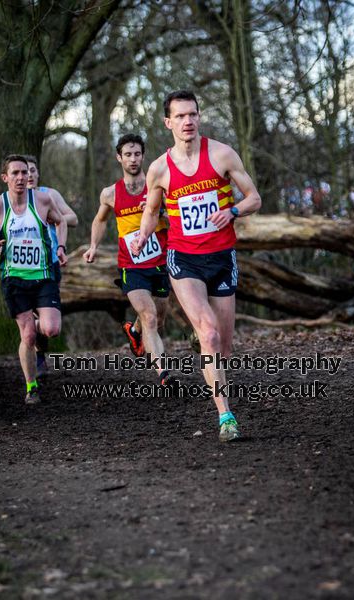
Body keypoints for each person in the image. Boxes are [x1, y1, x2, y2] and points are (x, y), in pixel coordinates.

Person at [132, 90, 261, 442]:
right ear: (168, 122)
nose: (188, 121)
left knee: (224, 346)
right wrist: (143, 236)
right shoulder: (159, 168)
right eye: (180, 116)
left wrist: (232, 210)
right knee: (210, 333)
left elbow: (254, 198)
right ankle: (226, 416)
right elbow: (151, 211)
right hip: (184, 258)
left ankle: (204, 343)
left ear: (199, 117)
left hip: (222, 258)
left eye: (193, 114)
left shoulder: (221, 154)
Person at [83, 133, 172, 384]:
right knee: (150, 316)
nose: (133, 159)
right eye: (128, 155)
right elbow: (100, 220)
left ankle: (134, 332)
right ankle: (163, 373)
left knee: (159, 316)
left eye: (137, 154)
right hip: (131, 264)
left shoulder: (158, 187)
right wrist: (93, 246)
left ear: (143, 156)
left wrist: (157, 211)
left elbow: (174, 219)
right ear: (119, 158)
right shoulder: (110, 193)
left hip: (160, 261)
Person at [0, 155, 68, 404]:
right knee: (27, 336)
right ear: (5, 177)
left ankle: (37, 321)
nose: (20, 177)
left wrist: (61, 247)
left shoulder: (43, 200)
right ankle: (31, 386)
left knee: (51, 329)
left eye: (24, 172)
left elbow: (61, 222)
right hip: (14, 278)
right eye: (14, 173)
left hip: (43, 275)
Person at [25, 155, 78, 376]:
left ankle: (39, 353)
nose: (28, 175)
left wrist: (54, 217)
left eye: (33, 170)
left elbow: (72, 218)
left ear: (38, 174)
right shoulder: (10, 200)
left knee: (45, 319)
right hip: (22, 266)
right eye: (23, 171)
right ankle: (37, 358)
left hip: (49, 263)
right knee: (31, 314)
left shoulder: (49, 195)